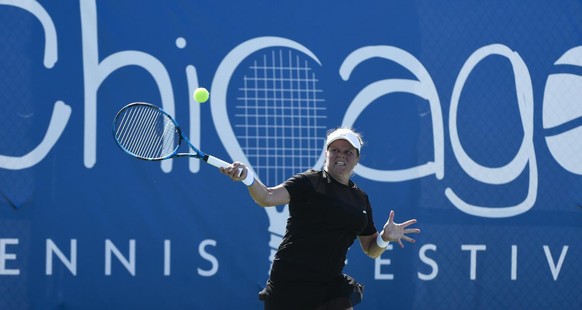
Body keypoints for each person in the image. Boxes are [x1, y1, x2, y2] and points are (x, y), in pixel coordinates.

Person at [220, 127, 420, 310]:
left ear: (357, 158)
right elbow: (266, 197)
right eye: (335, 150)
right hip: (290, 280)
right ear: (327, 154)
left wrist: (384, 238)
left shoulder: (360, 198)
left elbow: (371, 249)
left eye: (348, 151)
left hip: (330, 284)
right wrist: (247, 177)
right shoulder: (309, 182)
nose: (340, 155)